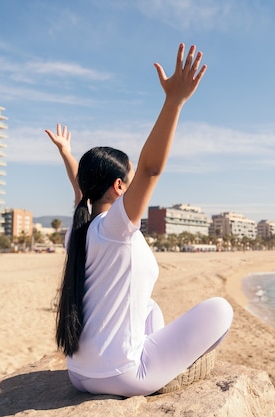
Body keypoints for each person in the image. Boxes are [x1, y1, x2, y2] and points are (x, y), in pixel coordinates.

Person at [44, 44, 233, 397]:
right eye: (128, 184)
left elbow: (79, 188)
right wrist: (174, 102)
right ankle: (165, 376)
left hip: (78, 373)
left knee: (150, 308)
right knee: (221, 309)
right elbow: (151, 167)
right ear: (119, 187)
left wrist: (68, 154)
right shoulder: (115, 228)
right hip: (122, 376)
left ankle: (152, 364)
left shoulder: (79, 229)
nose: (134, 190)